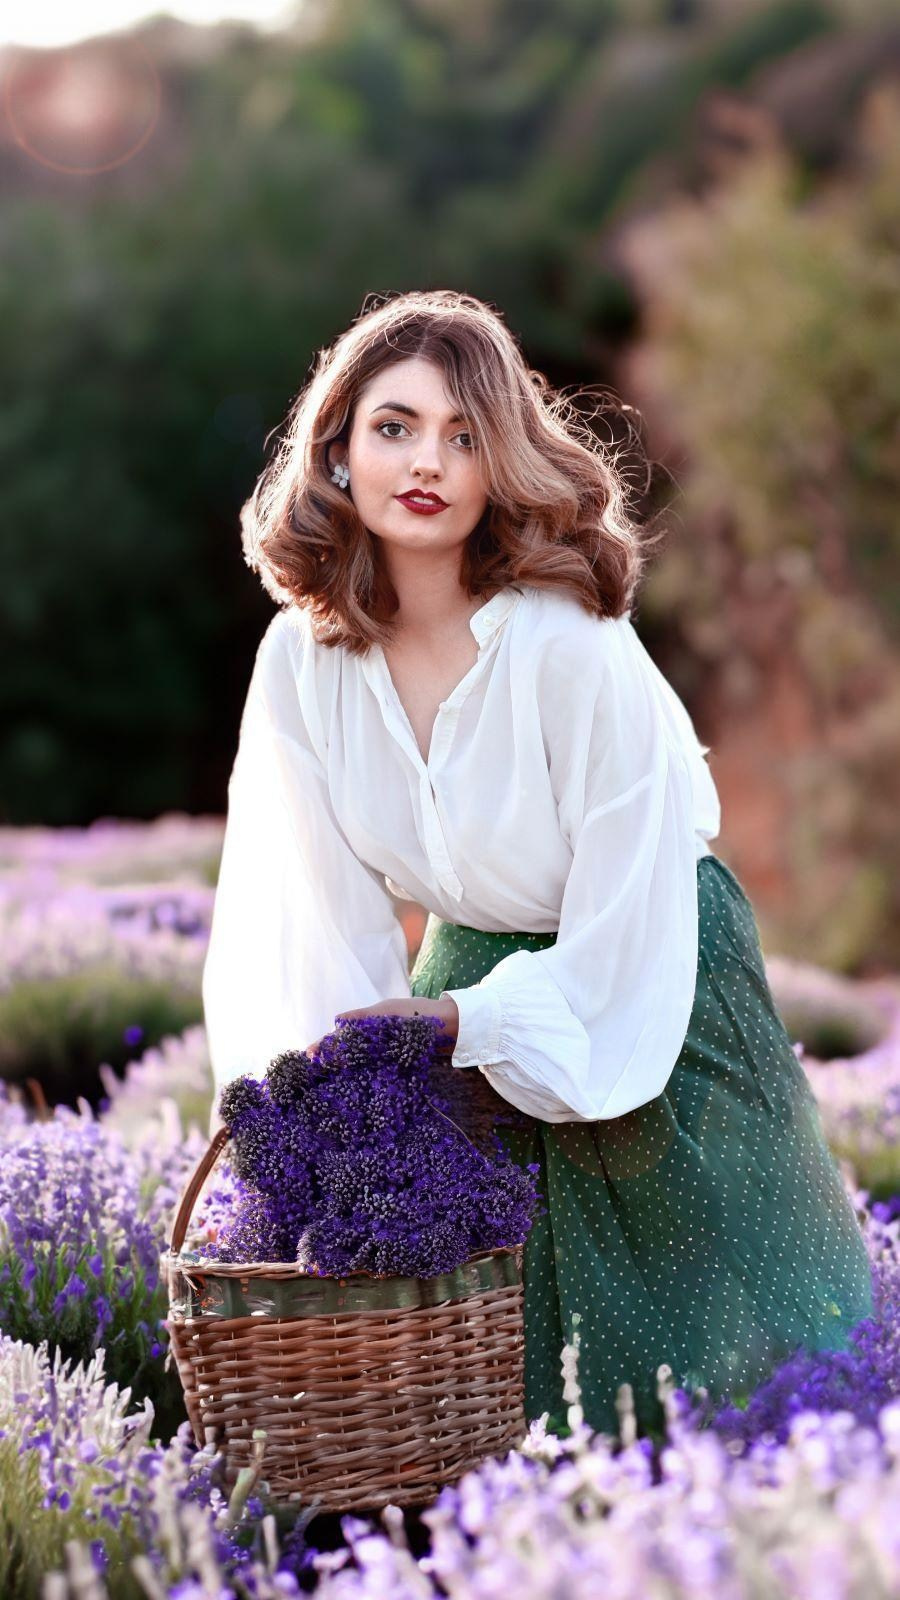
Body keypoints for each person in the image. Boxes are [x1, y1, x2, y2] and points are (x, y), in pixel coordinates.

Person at [202, 287, 874, 1438]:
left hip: (653, 970)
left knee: (701, 1350)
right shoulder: (300, 661)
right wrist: (321, 1128)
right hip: (472, 975)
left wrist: (470, 1022)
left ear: (501, 462)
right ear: (338, 450)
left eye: (465, 435)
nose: (428, 461)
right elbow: (299, 910)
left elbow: (628, 926)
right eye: (396, 426)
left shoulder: (569, 643)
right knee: (491, 1358)